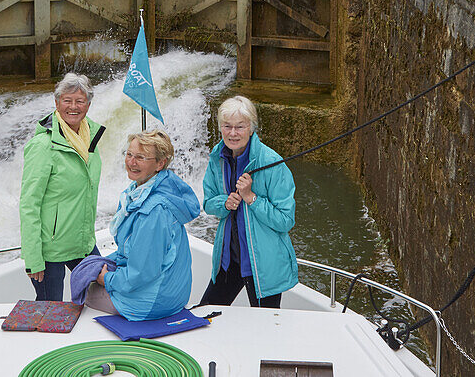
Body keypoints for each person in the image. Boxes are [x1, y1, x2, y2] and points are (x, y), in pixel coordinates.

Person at [85, 129, 200, 320]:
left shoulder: (153, 210)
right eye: (129, 154)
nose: (131, 162)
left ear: (160, 163)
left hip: (156, 301)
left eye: (141, 157)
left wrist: (107, 279)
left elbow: (143, 272)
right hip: (171, 293)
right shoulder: (153, 189)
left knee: (87, 292)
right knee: (92, 272)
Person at [199, 95, 298, 308]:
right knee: (206, 313)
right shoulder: (217, 159)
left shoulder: (272, 163)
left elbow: (285, 220)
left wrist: (251, 198)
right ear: (220, 128)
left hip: (262, 267)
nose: (233, 133)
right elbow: (208, 204)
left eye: (240, 127)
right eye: (227, 126)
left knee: (266, 330)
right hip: (228, 261)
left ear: (251, 128)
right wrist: (224, 203)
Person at [19, 73, 106, 301]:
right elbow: (29, 204)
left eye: (80, 101)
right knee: (50, 312)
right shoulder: (42, 146)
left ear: (88, 104)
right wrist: (34, 258)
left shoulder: (90, 139)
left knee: (102, 301)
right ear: (57, 103)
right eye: (67, 100)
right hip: (51, 251)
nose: (73, 107)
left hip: (83, 243)